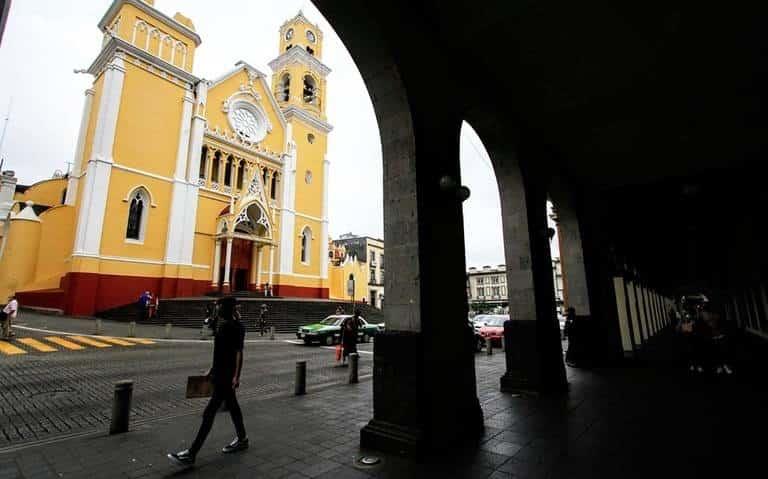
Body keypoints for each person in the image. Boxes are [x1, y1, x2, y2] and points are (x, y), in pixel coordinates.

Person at [169, 296, 248, 466]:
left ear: (225, 309)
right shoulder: (223, 325)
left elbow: (238, 353)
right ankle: (242, 439)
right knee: (233, 408)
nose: (216, 309)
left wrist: (236, 376)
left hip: (226, 377)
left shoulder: (235, 327)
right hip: (219, 374)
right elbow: (220, 352)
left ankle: (191, 453)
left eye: (219, 307)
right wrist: (211, 369)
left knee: (209, 413)